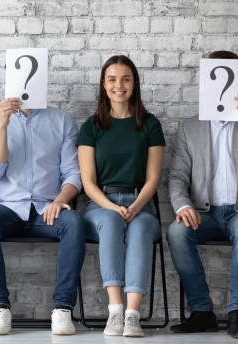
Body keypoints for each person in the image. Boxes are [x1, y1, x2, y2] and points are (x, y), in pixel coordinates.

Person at [166, 51, 238, 340]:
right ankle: (202, 312)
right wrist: (182, 205)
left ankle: (237, 314)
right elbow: (178, 175)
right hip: (204, 212)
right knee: (176, 232)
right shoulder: (190, 127)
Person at [0, 97, 86, 336]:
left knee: (75, 222)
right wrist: (3, 124)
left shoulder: (62, 120)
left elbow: (73, 173)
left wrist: (60, 200)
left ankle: (63, 307)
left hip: (47, 208)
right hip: (6, 207)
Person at [78, 55, 165, 337]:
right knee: (113, 223)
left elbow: (153, 178)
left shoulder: (150, 125)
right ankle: (115, 311)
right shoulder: (91, 127)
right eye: (112, 79)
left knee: (140, 229)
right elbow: (88, 183)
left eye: (125, 79)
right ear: (104, 85)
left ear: (134, 83)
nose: (119, 85)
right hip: (101, 204)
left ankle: (132, 315)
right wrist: (113, 208)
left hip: (142, 204)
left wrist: (136, 206)